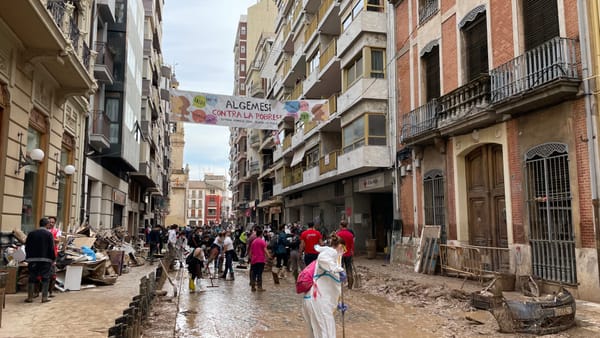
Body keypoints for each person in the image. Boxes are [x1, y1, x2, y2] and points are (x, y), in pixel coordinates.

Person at [24, 218, 56, 303]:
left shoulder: (31, 234)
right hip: (45, 260)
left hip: (32, 259)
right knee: (45, 277)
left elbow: (27, 246)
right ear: (47, 225)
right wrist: (53, 258)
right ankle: (44, 297)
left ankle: (30, 297)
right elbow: (51, 248)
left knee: (32, 277)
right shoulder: (49, 234)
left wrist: (28, 257)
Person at [248, 227, 270, 292]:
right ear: (261, 234)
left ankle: (253, 286)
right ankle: (259, 287)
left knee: (254, 273)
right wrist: (269, 256)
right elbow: (265, 250)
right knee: (259, 274)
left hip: (254, 260)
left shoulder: (254, 242)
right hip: (261, 260)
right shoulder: (262, 241)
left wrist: (250, 258)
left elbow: (250, 252)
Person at [336, 219, 355, 289]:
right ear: (347, 225)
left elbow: (336, 245)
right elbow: (352, 245)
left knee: (339, 269)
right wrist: (352, 253)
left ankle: (339, 285)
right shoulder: (350, 235)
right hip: (348, 254)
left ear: (341, 225)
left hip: (340, 254)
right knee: (349, 269)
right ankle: (350, 285)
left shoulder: (338, 234)